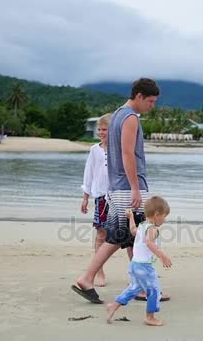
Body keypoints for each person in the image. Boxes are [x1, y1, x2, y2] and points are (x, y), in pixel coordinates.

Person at [72, 78, 163, 304]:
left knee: (131, 238)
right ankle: (87, 277)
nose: (152, 105)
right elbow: (127, 154)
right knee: (118, 238)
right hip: (126, 187)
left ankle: (140, 286)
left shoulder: (117, 115)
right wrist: (135, 187)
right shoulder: (130, 118)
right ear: (139, 96)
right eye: (150, 101)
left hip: (117, 186)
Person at [106, 196, 171, 326]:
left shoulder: (142, 226)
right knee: (154, 290)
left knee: (134, 288)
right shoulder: (152, 229)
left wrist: (130, 218)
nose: (165, 219)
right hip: (144, 267)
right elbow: (149, 242)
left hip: (135, 264)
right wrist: (162, 255)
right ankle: (150, 317)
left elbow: (132, 231)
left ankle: (114, 305)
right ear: (157, 214)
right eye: (164, 216)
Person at [80, 113, 111, 287]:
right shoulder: (94, 149)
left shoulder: (119, 149)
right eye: (99, 129)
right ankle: (99, 271)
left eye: (104, 129)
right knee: (101, 234)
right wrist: (85, 198)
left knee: (125, 236)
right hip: (100, 197)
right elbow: (88, 174)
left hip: (117, 197)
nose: (100, 132)